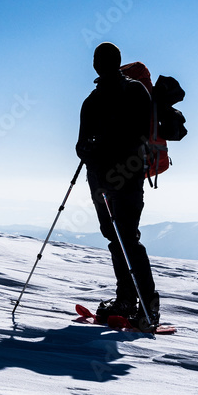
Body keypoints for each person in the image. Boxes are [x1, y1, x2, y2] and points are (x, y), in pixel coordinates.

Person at [75, 42, 160, 330]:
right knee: (125, 238)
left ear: (96, 65)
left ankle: (140, 303)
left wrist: (96, 148)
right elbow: (140, 133)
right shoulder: (137, 91)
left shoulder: (92, 101)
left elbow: (81, 148)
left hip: (103, 181)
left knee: (120, 239)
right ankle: (136, 301)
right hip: (131, 178)